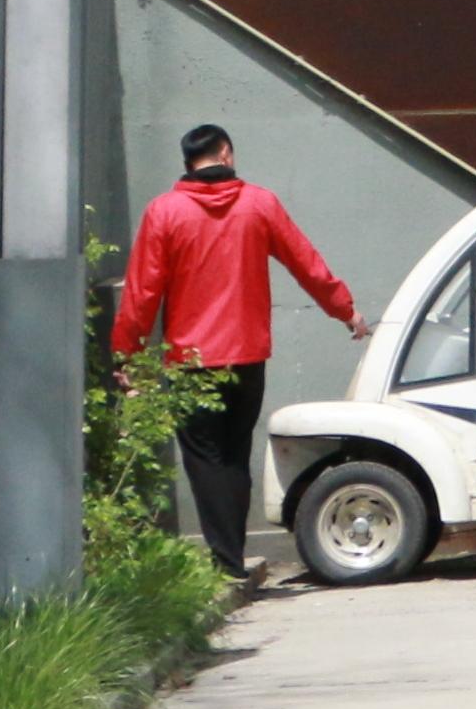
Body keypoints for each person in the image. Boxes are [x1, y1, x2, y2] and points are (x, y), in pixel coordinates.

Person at [111, 124, 360, 579]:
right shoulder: (259, 204)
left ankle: (226, 562)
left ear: (188, 161)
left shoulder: (164, 212)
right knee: (234, 454)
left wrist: (127, 354)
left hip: (190, 360)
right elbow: (305, 262)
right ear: (226, 153)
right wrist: (345, 310)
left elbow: (142, 291)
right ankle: (232, 558)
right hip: (246, 356)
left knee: (205, 459)